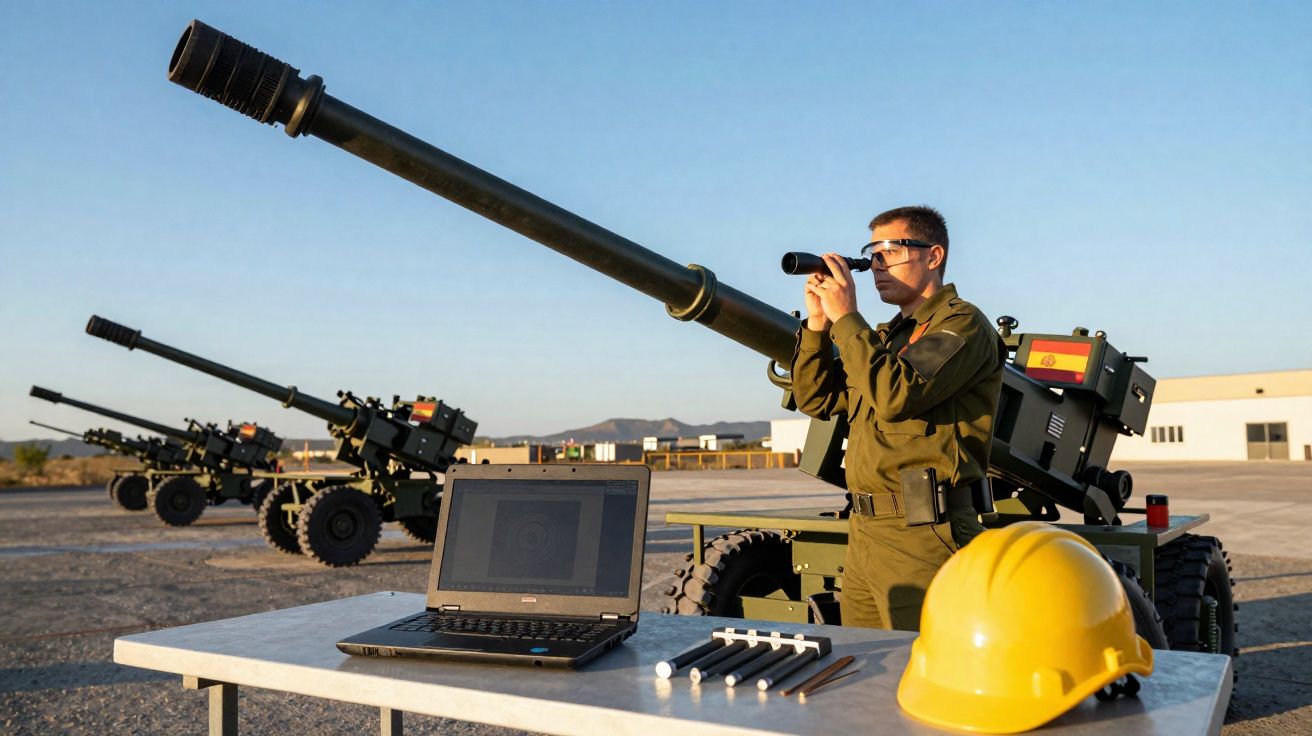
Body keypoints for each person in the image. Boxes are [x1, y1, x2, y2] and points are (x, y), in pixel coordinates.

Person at [790, 205, 1005, 631]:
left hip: (924, 533)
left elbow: (895, 395)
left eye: (891, 251)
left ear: (934, 256)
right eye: (872, 253)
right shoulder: (887, 338)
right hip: (868, 532)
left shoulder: (961, 324)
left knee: (924, 666)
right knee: (867, 671)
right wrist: (817, 325)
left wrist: (848, 318)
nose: (876, 265)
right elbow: (816, 398)